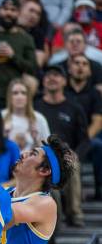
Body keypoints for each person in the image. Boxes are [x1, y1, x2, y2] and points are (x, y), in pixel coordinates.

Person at [35, 65, 88, 227]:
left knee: (72, 162)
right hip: (41, 154)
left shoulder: (74, 108)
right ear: (43, 81)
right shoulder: (36, 107)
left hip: (66, 156)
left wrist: (76, 154)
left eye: (57, 75)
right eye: (48, 75)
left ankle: (75, 213)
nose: (52, 78)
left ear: (65, 81)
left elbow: (85, 140)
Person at [0, 0, 38, 107]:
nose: (8, 13)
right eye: (5, 9)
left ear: (18, 13)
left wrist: (13, 56)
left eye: (13, 10)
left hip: (14, 96)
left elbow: (32, 68)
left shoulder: (26, 38)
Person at [66, 54, 102, 200]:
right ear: (69, 68)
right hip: (65, 137)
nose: (80, 66)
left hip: (87, 137)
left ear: (89, 72)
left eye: (84, 64)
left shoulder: (94, 94)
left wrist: (83, 140)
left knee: (99, 146)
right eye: (76, 63)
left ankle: (99, 188)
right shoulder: (63, 91)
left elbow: (98, 121)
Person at [2, 78, 50, 152]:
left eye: (23, 93)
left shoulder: (39, 119)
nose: (19, 97)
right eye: (15, 93)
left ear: (28, 97)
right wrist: (4, 136)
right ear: (9, 97)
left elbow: (48, 150)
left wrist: (35, 139)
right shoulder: (2, 116)